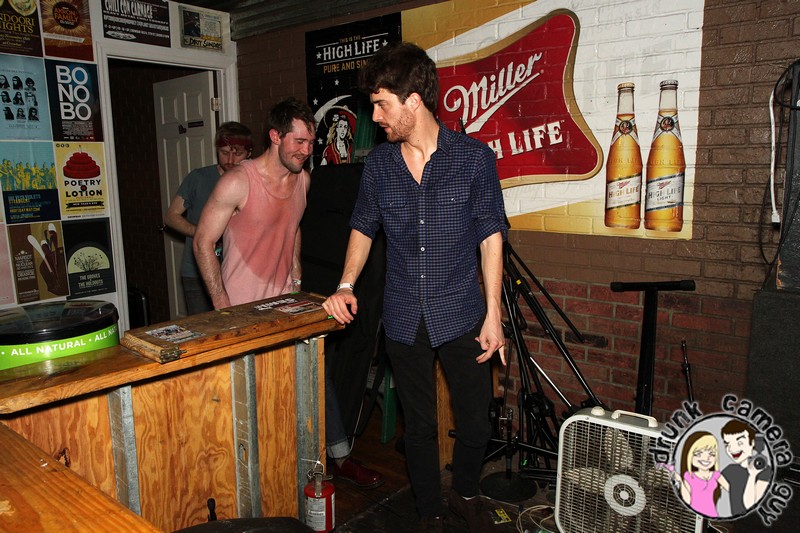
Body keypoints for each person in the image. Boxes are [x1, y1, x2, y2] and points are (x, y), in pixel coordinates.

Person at [322, 41, 508, 532]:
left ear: (414, 101)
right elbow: (363, 226)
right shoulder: (380, 166)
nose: (375, 116)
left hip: (462, 311)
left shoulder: (473, 159)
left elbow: (491, 236)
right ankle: (430, 511)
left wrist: (493, 313)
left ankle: (465, 492)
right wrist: (345, 283)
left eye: (382, 104)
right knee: (419, 426)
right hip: (404, 314)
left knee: (476, 420)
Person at [194, 98, 383, 488]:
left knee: (315, 377)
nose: (305, 150)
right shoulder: (238, 182)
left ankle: (341, 458)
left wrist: (296, 278)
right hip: (243, 310)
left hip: (286, 303)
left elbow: (293, 226)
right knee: (256, 400)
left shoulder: (303, 180)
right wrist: (223, 309)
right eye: (298, 142)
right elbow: (202, 242)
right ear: (275, 136)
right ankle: (261, 477)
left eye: (310, 143)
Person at [164, 121, 253, 315]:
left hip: (238, 272)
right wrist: (203, 234)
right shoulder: (198, 178)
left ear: (249, 153)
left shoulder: (253, 180)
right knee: (203, 328)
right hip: (196, 273)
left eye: (237, 153)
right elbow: (171, 216)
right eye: (224, 152)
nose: (230, 159)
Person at [720, 419, 772, 515]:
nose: (732, 449)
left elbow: (749, 506)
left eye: (740, 443)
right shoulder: (730, 469)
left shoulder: (765, 471)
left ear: (752, 442)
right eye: (727, 444)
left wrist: (752, 475)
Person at [675, 431, 730, 517]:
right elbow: (687, 500)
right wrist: (680, 481)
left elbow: (732, 490)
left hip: (712, 513)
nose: (706, 458)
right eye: (698, 454)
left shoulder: (716, 475)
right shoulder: (688, 476)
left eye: (712, 454)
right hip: (693, 516)